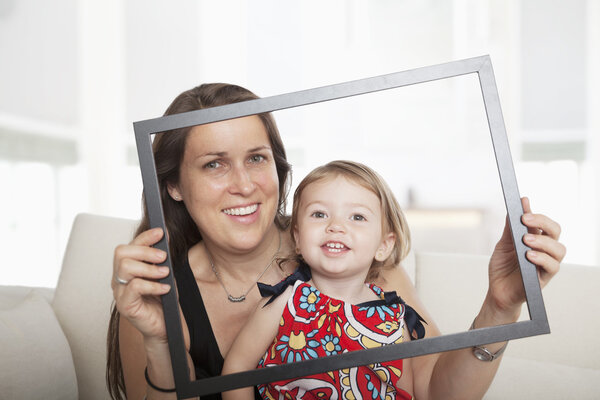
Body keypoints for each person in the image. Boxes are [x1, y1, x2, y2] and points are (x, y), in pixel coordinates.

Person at [108, 83, 566, 400]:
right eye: (214, 164)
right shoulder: (154, 296)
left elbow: (432, 391)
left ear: (279, 169)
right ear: (172, 185)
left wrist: (500, 309)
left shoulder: (356, 260)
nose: (244, 184)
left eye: (256, 158)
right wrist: (160, 348)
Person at [222, 160, 427, 399]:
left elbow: (403, 392)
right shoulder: (284, 303)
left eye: (357, 217)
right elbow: (236, 372)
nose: (336, 226)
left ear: (383, 245)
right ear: (297, 238)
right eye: (319, 214)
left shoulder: (394, 319)